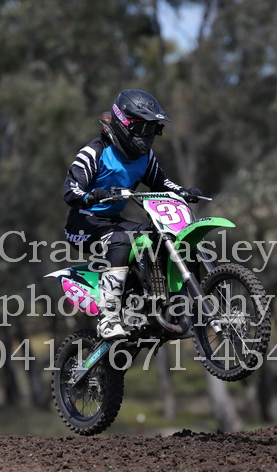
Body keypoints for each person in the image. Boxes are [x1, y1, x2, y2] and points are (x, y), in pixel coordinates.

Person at [63, 89, 202, 339]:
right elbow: (70, 191)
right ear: (123, 123)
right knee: (120, 240)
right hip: (82, 223)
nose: (147, 137)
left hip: (113, 222)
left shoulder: (145, 157)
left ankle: (161, 308)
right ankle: (108, 318)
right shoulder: (94, 152)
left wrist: (182, 192)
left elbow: (161, 183)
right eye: (142, 128)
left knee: (158, 237)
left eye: (153, 130)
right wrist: (92, 195)